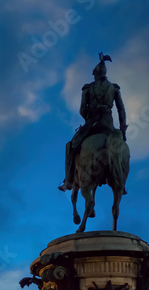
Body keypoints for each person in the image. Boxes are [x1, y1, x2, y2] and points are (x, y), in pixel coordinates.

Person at [58, 53, 127, 192]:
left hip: (93, 124)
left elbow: (82, 110)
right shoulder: (114, 88)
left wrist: (89, 117)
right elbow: (121, 111)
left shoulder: (87, 88)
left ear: (95, 74)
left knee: (70, 146)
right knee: (120, 147)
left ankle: (69, 181)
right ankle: (121, 182)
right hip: (108, 124)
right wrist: (122, 129)